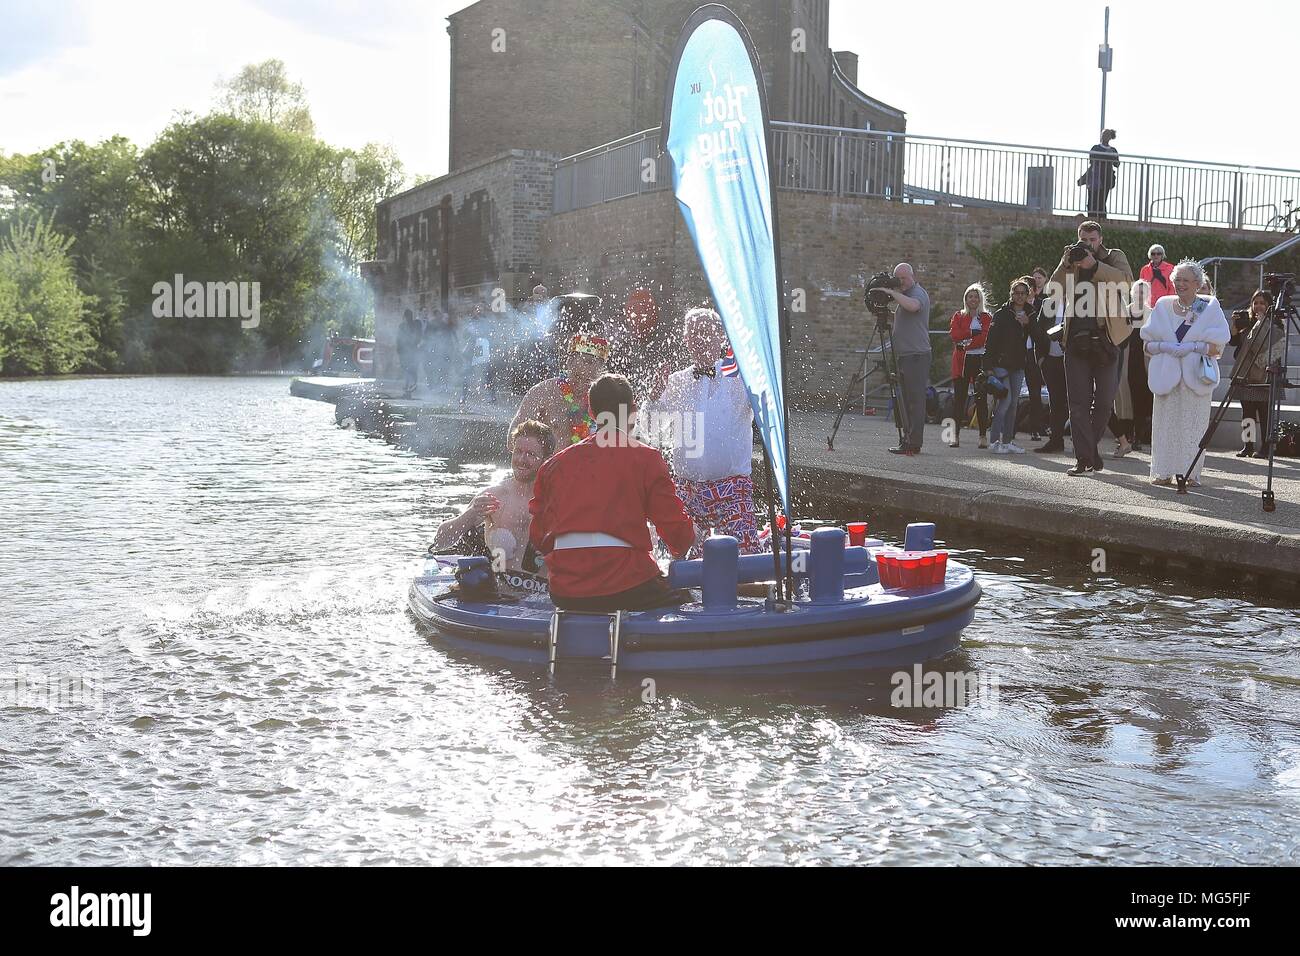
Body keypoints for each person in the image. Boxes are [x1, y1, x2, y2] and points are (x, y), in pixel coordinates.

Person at [528, 373, 695, 612]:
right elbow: (675, 531)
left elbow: (538, 536)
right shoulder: (647, 458)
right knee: (688, 601)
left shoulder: (553, 465)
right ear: (633, 411)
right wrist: (690, 540)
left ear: (592, 413)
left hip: (565, 590)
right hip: (627, 585)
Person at [647, 308, 761, 555]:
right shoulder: (676, 380)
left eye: (706, 333)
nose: (699, 339)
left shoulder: (742, 376)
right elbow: (652, 430)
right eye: (693, 334)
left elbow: (765, 407)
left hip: (732, 486)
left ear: (721, 337)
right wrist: (654, 398)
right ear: (686, 340)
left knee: (745, 563)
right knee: (684, 565)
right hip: (688, 489)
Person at [1046, 220, 1134, 475]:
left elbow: (1127, 283)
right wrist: (1066, 263)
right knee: (1078, 404)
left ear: (1100, 239)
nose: (1088, 244)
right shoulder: (1070, 260)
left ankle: (1089, 452)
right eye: (1084, 240)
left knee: (1105, 403)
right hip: (1075, 340)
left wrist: (1094, 266)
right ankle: (1084, 459)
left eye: (1092, 240)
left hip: (1107, 339)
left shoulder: (1114, 257)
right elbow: (1054, 291)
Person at [1141, 260, 1230, 487]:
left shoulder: (1209, 307)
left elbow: (1217, 348)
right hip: (1166, 375)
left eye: (1186, 280)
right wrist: (1166, 347)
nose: (1180, 284)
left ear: (1198, 284)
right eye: (1177, 279)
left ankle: (1190, 473)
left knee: (1193, 426)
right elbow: (1147, 345)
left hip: (1196, 376)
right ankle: (1162, 472)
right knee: (1165, 424)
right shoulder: (1162, 305)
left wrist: (1194, 347)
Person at [429, 420, 556, 570]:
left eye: (531, 454)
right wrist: (471, 514)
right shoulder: (494, 496)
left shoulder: (557, 500)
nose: (522, 460)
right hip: (498, 589)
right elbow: (440, 542)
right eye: (518, 452)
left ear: (546, 460)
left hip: (542, 591)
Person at [511, 331, 610, 451]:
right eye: (577, 377)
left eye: (588, 382)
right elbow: (512, 441)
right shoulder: (542, 393)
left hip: (586, 468)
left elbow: (617, 448)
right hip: (549, 468)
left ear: (599, 374)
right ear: (569, 362)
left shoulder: (604, 401)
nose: (581, 385)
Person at [984, 279, 1042, 454]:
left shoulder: (1031, 314)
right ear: (1011, 294)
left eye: (1023, 293)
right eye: (1016, 293)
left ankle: (1007, 440)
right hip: (1001, 364)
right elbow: (991, 341)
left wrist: (1028, 323)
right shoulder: (1002, 314)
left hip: (1018, 364)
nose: (1019, 296)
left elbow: (1039, 338)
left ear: (1027, 295)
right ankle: (994, 441)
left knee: (1013, 404)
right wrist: (987, 366)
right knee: (1005, 401)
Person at [881, 262, 932, 455]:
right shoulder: (906, 296)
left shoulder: (917, 293)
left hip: (916, 356)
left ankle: (913, 442)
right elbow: (906, 319)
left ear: (912, 276)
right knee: (906, 401)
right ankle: (908, 440)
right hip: (906, 355)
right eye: (898, 278)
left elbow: (914, 307)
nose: (900, 282)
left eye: (903, 278)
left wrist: (892, 293)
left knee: (915, 401)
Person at [1229, 289, 1286, 459]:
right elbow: (1235, 343)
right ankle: (1248, 446)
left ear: (1269, 306)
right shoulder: (1248, 323)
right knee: (1247, 413)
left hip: (1265, 375)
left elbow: (1268, 347)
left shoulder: (1275, 326)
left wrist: (1262, 324)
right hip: (1245, 374)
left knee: (1265, 414)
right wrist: (1234, 326)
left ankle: (1267, 448)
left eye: (1262, 303)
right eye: (1256, 303)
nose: (1258, 306)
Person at [946, 283, 992, 448]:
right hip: (962, 362)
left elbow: (985, 338)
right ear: (966, 299)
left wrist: (965, 343)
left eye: (976, 296)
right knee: (959, 399)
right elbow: (955, 334)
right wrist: (972, 333)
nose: (973, 299)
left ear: (980, 299)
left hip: (979, 361)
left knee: (981, 399)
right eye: (970, 296)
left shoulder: (986, 317)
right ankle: (955, 435)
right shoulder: (958, 316)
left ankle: (982, 436)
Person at [1030, 267, 1069, 454]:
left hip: (1071, 361)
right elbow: (1038, 331)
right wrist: (1041, 359)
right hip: (1051, 360)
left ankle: (1083, 443)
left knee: (1075, 402)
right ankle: (1056, 440)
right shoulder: (1047, 304)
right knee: (1055, 401)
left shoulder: (1077, 304)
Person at [1082, 129, 1119, 219]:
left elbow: (1117, 164)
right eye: (1103, 135)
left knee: (1102, 200)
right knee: (1092, 199)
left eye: (1106, 135)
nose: (1104, 137)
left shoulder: (1113, 150)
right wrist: (1106, 156)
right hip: (1095, 176)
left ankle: (1102, 218)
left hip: (1107, 178)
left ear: (1110, 137)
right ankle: (1091, 217)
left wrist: (1111, 156)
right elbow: (1091, 159)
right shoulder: (1095, 148)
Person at [397, 308, 423, 397]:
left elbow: (418, 337)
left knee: (410, 369)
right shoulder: (403, 326)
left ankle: (411, 385)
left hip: (412, 351)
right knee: (408, 369)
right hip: (407, 351)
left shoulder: (416, 325)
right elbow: (399, 340)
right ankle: (409, 386)